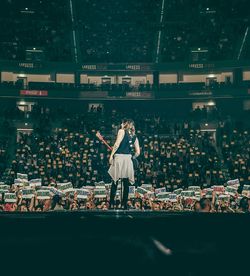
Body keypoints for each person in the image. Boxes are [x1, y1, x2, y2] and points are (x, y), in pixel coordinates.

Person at [108, 119, 140, 209]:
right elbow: (138, 152)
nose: (121, 124)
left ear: (125, 124)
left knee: (115, 182)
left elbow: (117, 144)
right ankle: (124, 204)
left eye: (122, 123)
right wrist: (132, 157)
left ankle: (111, 204)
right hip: (128, 159)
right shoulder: (134, 136)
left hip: (119, 157)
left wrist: (111, 156)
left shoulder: (121, 131)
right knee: (126, 183)